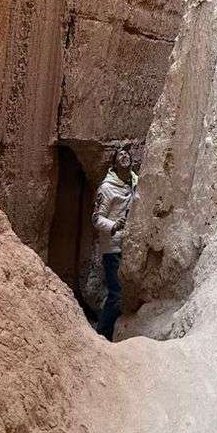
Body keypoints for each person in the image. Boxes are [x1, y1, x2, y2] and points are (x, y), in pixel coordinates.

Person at [92, 144, 138, 341]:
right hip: (112, 247)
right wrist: (114, 225)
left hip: (130, 245)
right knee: (116, 294)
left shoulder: (135, 182)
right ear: (114, 163)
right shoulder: (107, 188)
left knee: (125, 292)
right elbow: (96, 218)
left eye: (126, 153)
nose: (124, 156)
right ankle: (101, 335)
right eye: (120, 155)